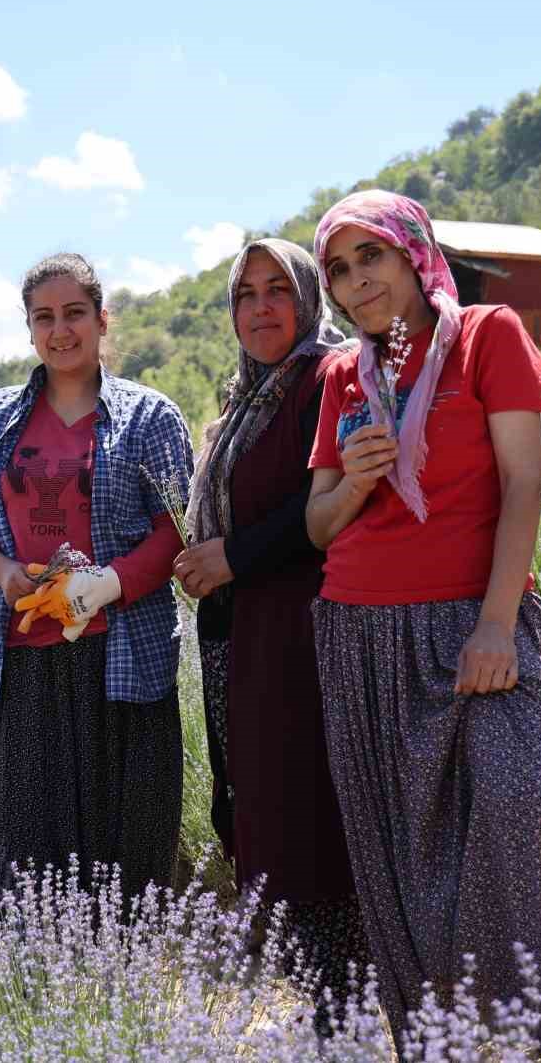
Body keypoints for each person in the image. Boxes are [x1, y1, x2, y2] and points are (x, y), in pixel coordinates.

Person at [304, 190, 541, 1038]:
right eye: (339, 269)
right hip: (360, 633)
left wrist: (498, 625)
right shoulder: (341, 376)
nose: (359, 282)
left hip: (475, 622)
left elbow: (524, 484)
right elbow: (318, 525)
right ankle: (449, 1040)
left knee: (527, 805)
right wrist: (357, 480)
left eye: (373, 258)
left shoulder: (485, 336)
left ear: (412, 253)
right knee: (403, 851)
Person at [0, 253, 192, 902]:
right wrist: (0, 571)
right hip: (18, 666)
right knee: (25, 869)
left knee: (124, 868)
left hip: (122, 664)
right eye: (44, 317)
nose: (61, 331)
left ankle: (120, 996)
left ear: (103, 319)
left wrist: (107, 584)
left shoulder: (151, 418)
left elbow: (175, 533)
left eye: (74, 313)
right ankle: (33, 991)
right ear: (28, 329)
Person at [174, 238, 367, 1021]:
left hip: (299, 641)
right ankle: (325, 1010)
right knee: (256, 812)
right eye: (245, 294)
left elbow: (320, 509)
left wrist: (232, 556)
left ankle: (341, 1014)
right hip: (244, 638)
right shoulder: (248, 394)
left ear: (309, 298)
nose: (260, 307)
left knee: (304, 823)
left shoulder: (327, 378)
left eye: (277, 290)